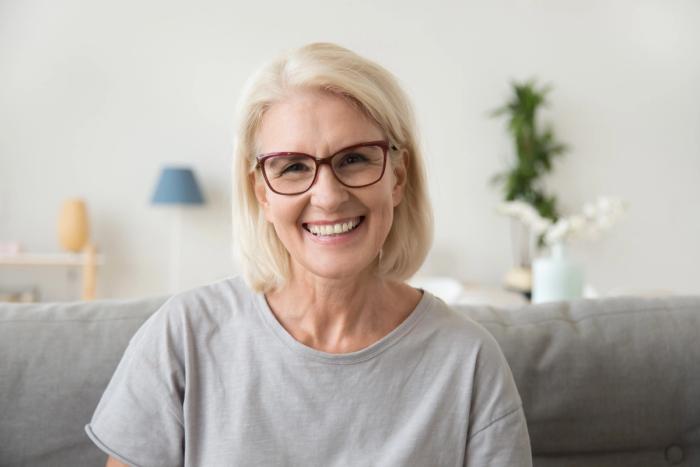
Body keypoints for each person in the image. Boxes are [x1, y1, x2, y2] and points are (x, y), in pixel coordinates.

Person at [86, 42, 532, 466]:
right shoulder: (182, 336)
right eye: (294, 167)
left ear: (397, 177)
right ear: (261, 191)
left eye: (354, 158)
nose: (329, 196)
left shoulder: (469, 361)